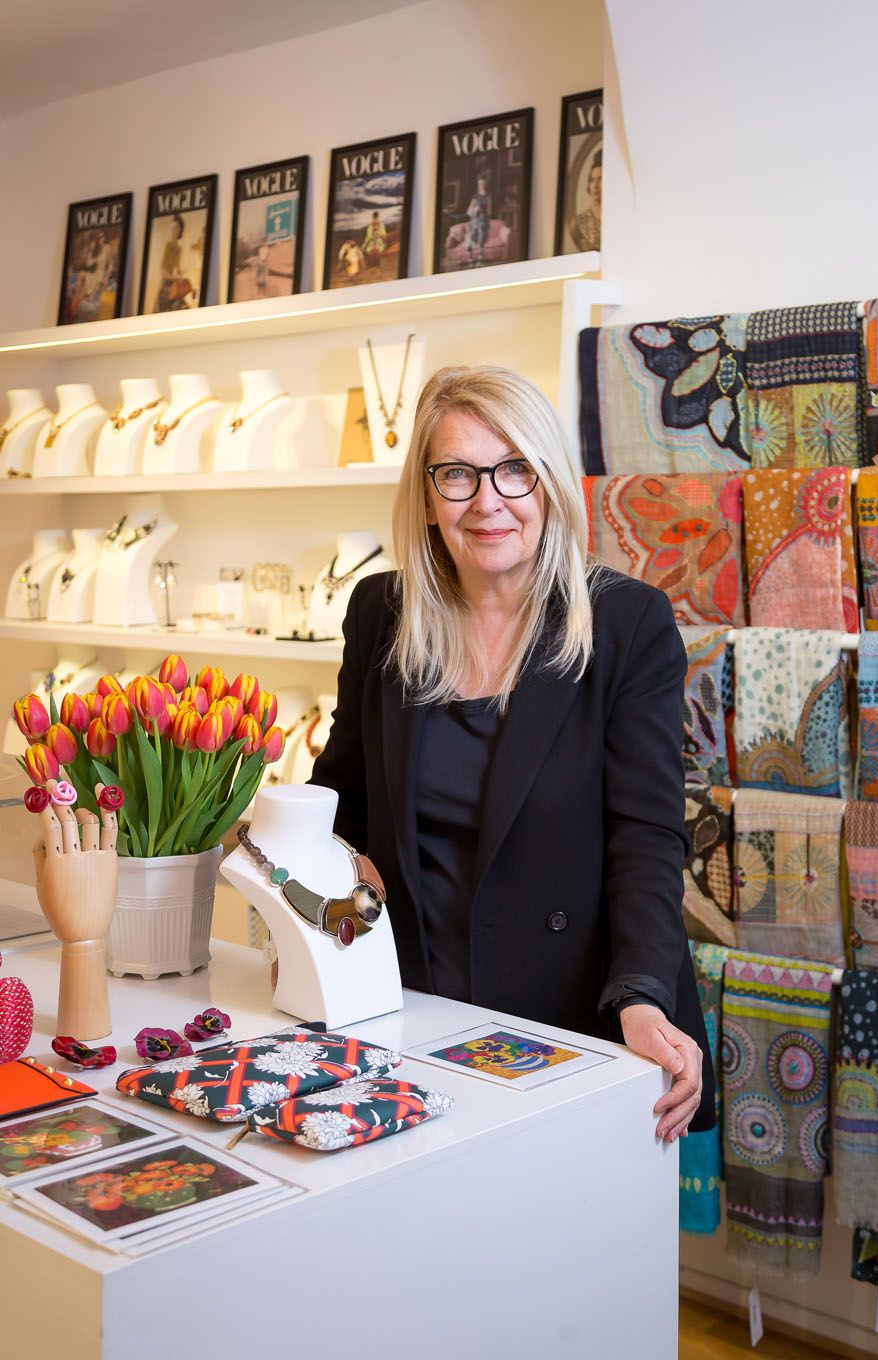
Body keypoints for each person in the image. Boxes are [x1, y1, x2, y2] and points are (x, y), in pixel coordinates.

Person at [312, 365, 714, 1140]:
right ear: (427, 498)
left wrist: (639, 994)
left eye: (514, 469)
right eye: (457, 473)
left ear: (550, 484)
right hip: (410, 1007)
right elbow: (340, 802)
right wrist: (317, 918)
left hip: (571, 1016)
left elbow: (646, 837)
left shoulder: (625, 623)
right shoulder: (380, 612)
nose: (487, 500)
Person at [571, 152, 602, 252]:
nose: (595, 186)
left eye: (600, 179)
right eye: (592, 180)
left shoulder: (617, 219)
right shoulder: (578, 222)